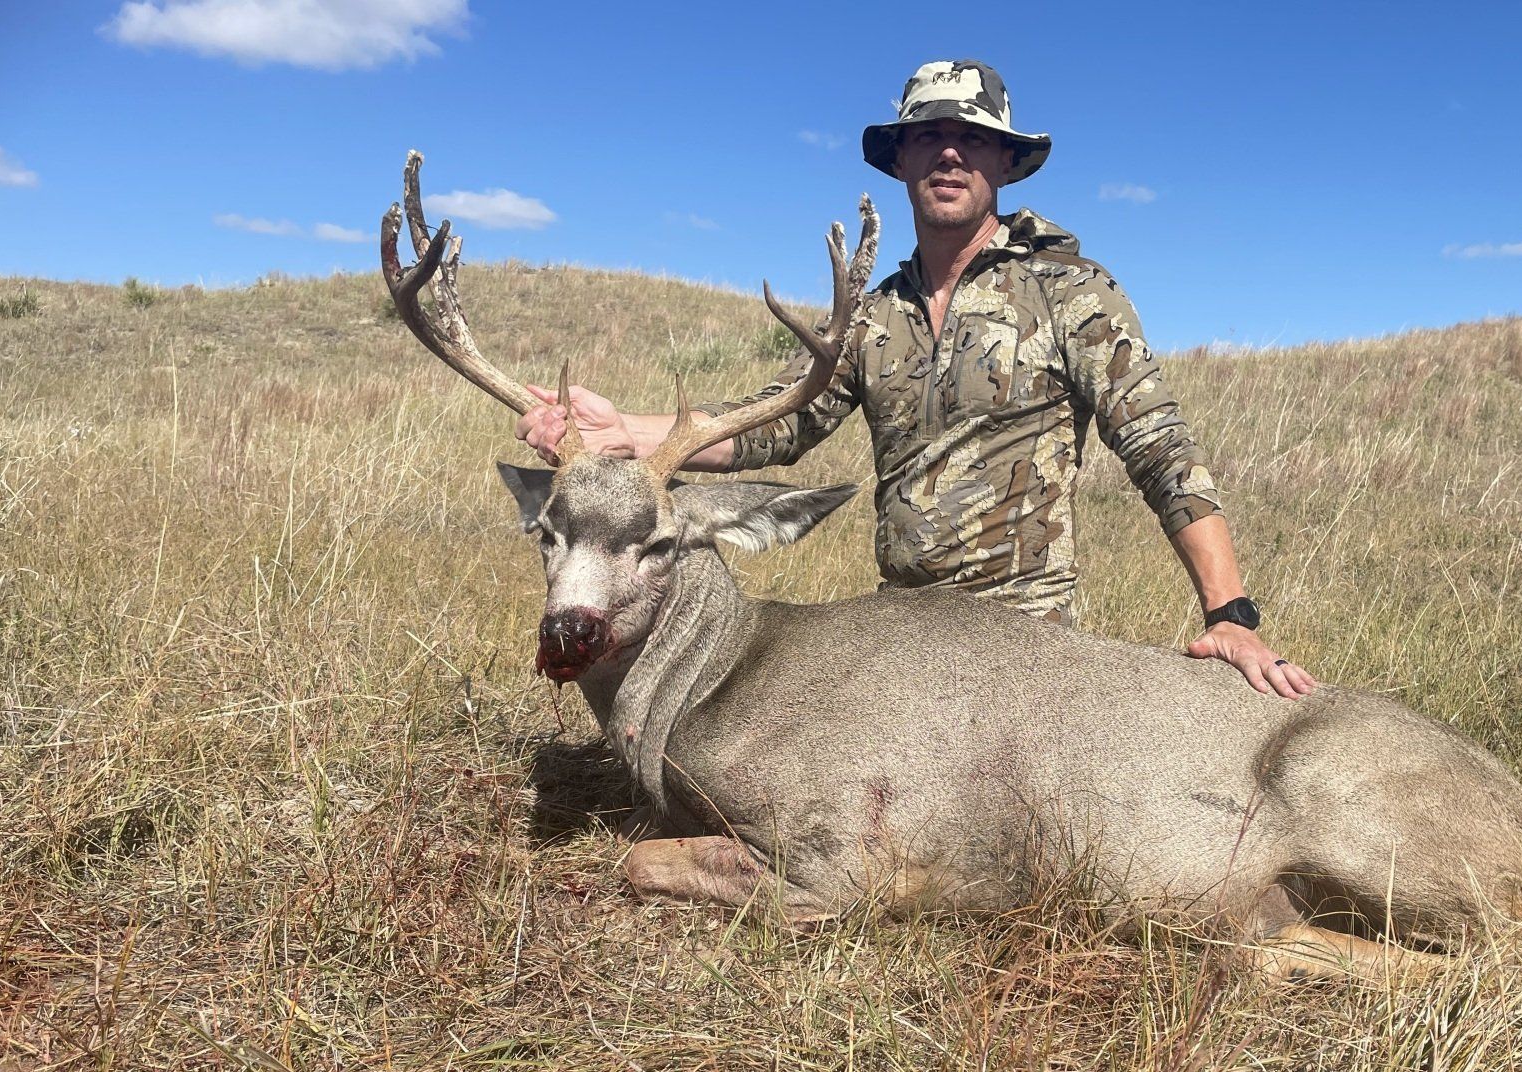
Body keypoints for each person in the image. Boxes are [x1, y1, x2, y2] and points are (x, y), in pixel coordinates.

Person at [516, 59, 1314, 699]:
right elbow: (777, 425)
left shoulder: (1070, 292)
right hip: (897, 636)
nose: (950, 152)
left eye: (971, 137)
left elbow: (1161, 450)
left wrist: (1230, 613)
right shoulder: (868, 317)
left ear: (1006, 159)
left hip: (1024, 637)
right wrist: (624, 435)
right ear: (900, 160)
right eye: (928, 136)